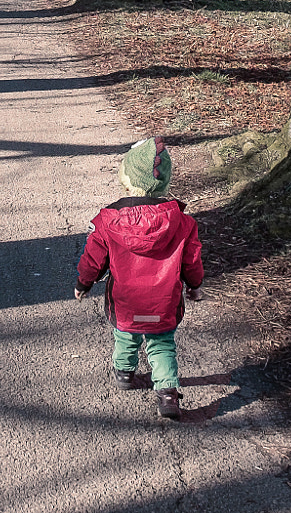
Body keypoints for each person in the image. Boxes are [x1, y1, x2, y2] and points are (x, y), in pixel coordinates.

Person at [74, 136, 204, 420]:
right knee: (162, 345)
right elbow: (191, 260)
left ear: (127, 178)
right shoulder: (182, 222)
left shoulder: (108, 220)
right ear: (164, 183)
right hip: (164, 303)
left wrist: (83, 283)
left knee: (126, 336)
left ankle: (124, 373)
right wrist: (195, 286)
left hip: (126, 302)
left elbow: (94, 258)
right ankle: (168, 393)